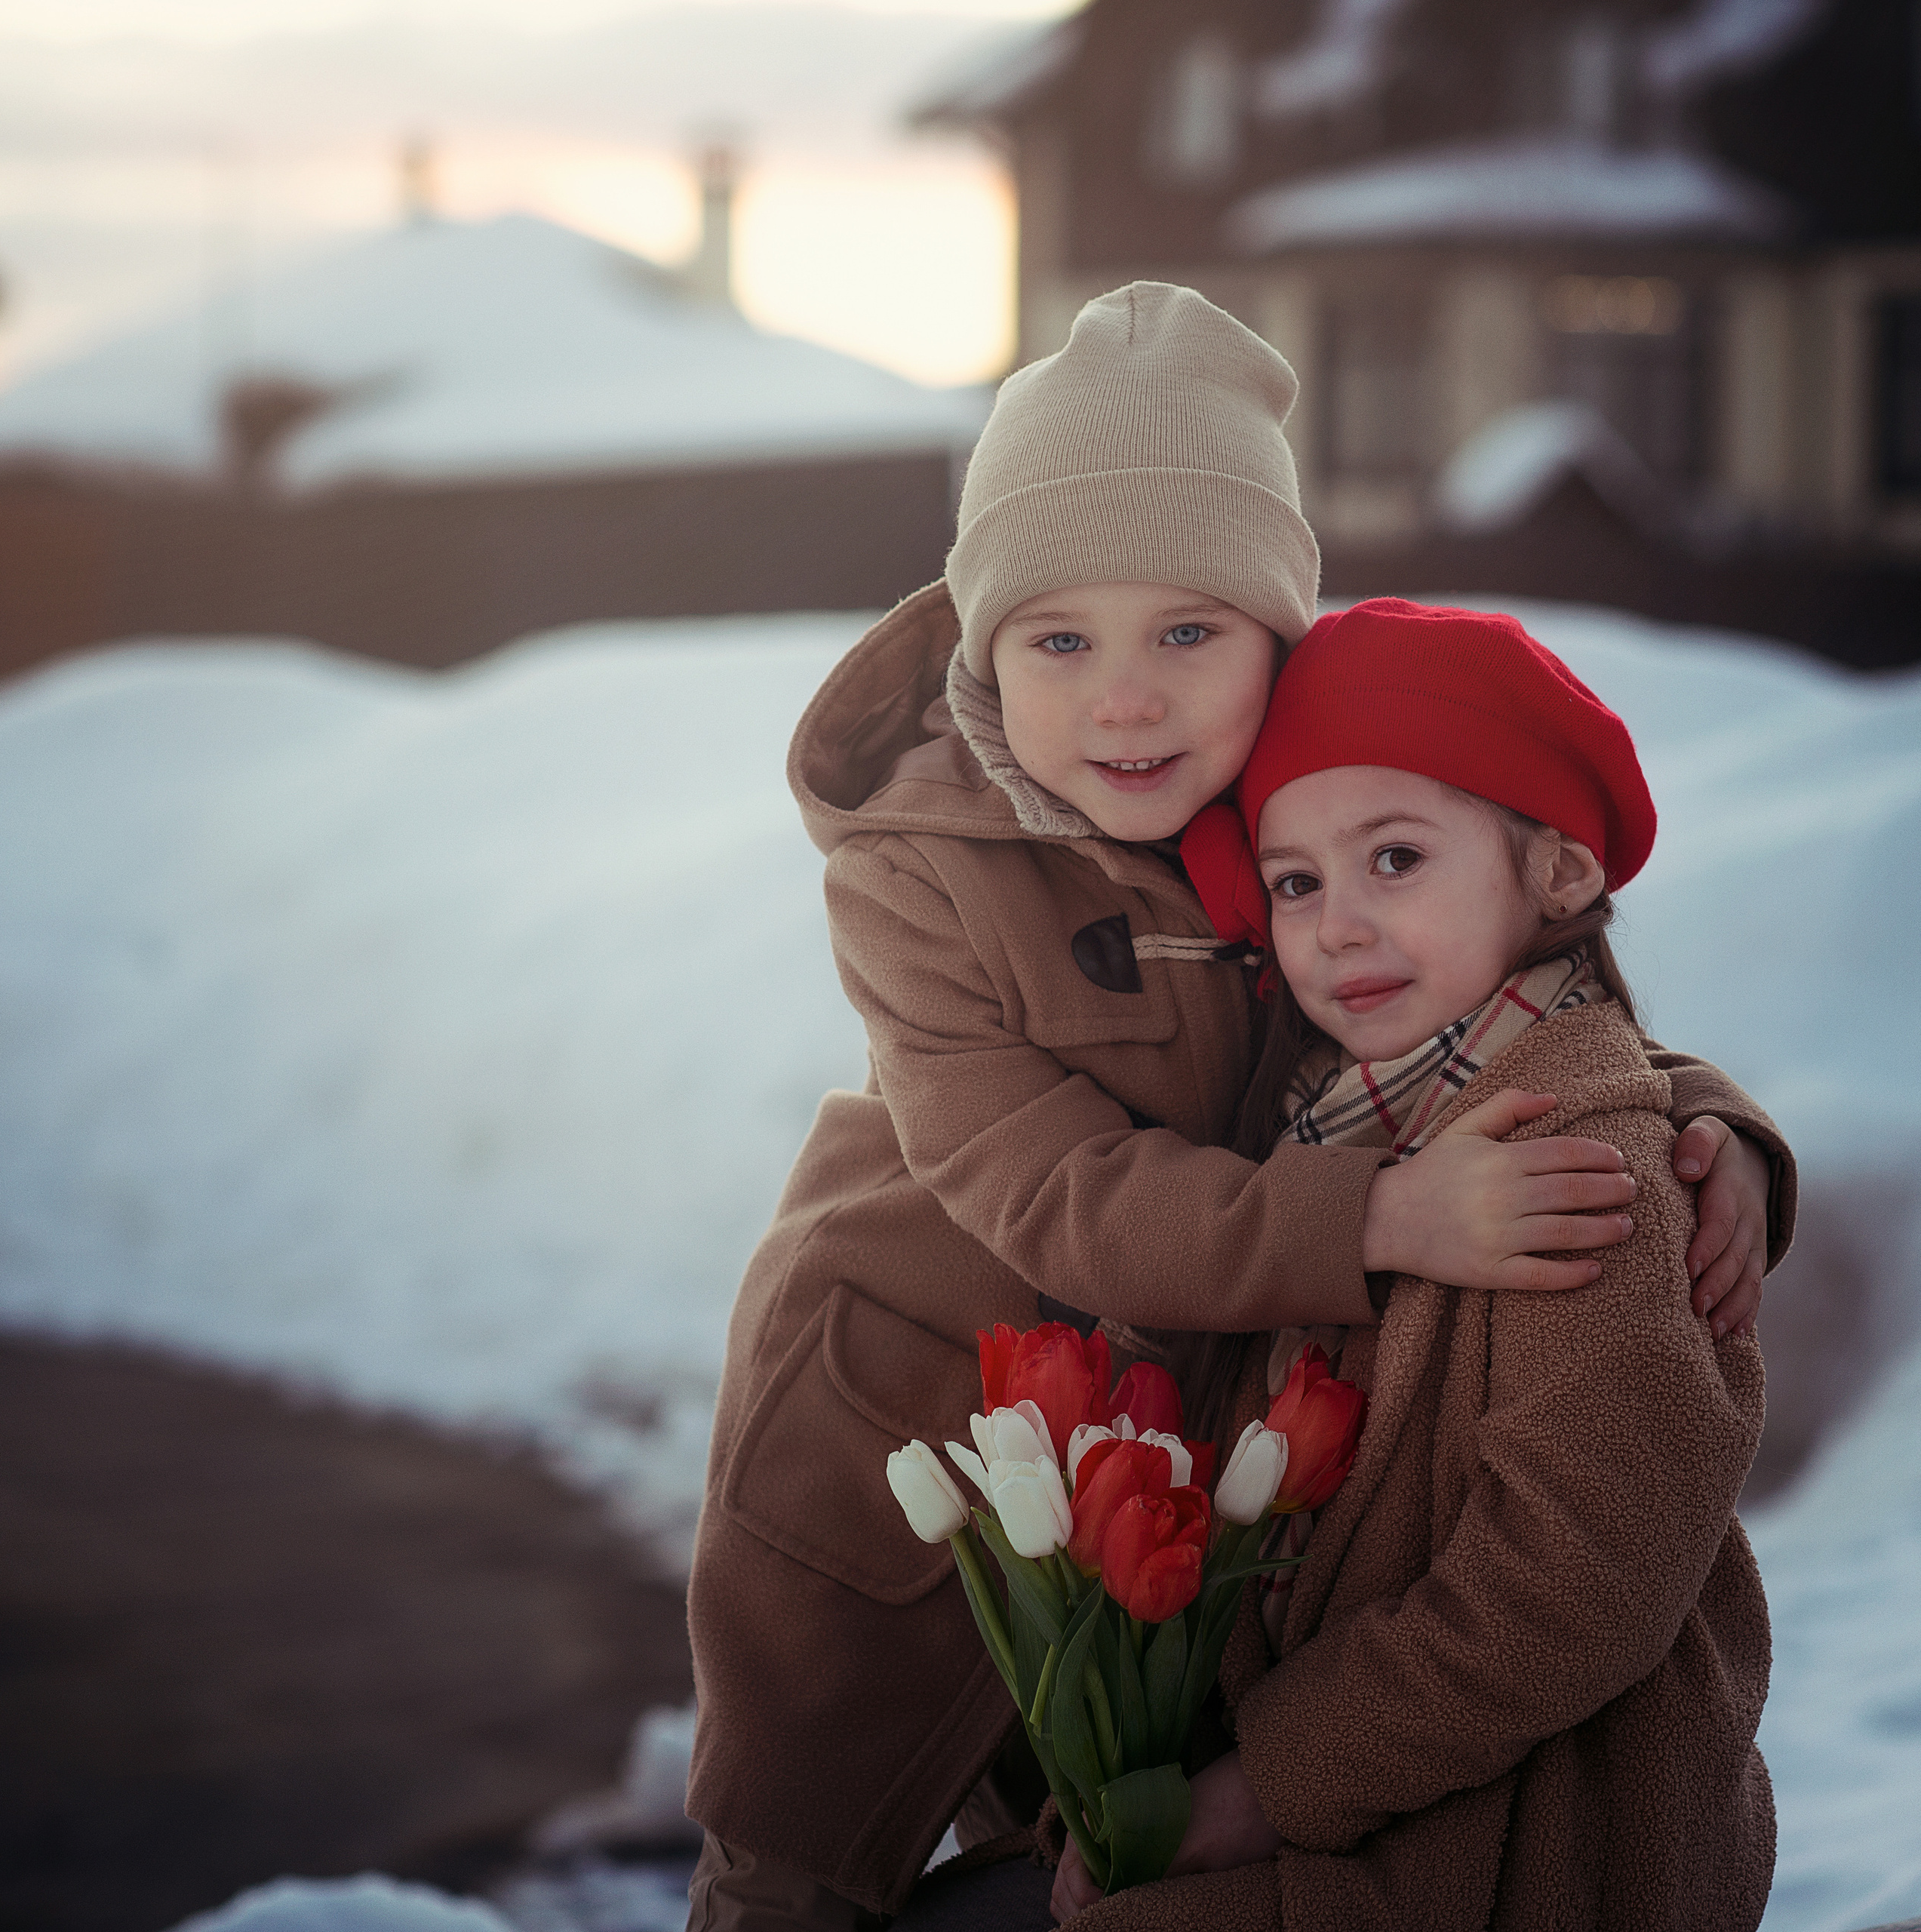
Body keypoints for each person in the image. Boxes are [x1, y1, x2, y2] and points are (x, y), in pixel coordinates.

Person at [683, 286, 1792, 1931]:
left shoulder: (1284, 835)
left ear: (1278, 644)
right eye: (1060, 638)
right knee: (806, 1854)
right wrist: (1379, 1217)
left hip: (1157, 1461)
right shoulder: (913, 875)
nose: (1123, 700)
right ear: (982, 647)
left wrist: (1711, 1129)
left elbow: (1477, 985)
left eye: (1186, 632)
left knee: (1093, 1835)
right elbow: (1051, 1189)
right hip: (902, 1428)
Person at [1049, 598, 1776, 1931]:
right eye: (1296, 882)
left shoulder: (1578, 1171)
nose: (1334, 928)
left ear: (1556, 877)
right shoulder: (1341, 1108)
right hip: (1384, 1801)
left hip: (1528, 1847)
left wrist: (1265, 1784)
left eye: (1396, 858)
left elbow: (1575, 1581)